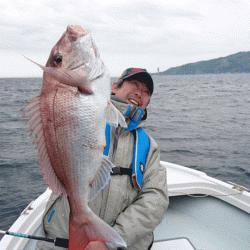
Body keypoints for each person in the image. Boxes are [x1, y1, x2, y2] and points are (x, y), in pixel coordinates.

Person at [36, 68, 169, 250]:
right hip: (62, 239)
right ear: (114, 87)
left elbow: (155, 198)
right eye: (134, 85)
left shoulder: (149, 147)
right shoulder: (84, 117)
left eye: (146, 92)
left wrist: (109, 241)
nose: (139, 93)